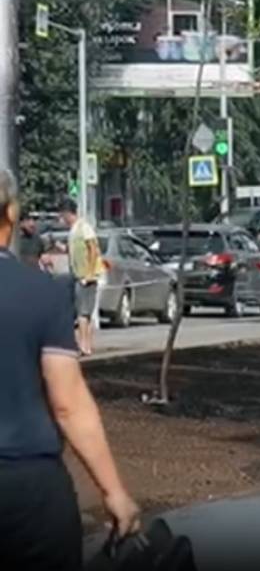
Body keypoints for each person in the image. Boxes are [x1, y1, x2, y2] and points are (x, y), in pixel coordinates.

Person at [0, 170, 140, 569]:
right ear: (11, 212)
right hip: (27, 493)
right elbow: (68, 405)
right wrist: (113, 492)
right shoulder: (41, 294)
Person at [59, 198, 104, 356]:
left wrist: (90, 273)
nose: (62, 219)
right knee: (83, 313)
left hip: (86, 277)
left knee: (83, 313)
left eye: (63, 215)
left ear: (68, 213)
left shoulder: (84, 227)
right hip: (78, 276)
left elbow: (93, 249)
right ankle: (85, 345)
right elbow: (75, 251)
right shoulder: (73, 230)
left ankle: (85, 345)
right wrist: (62, 248)